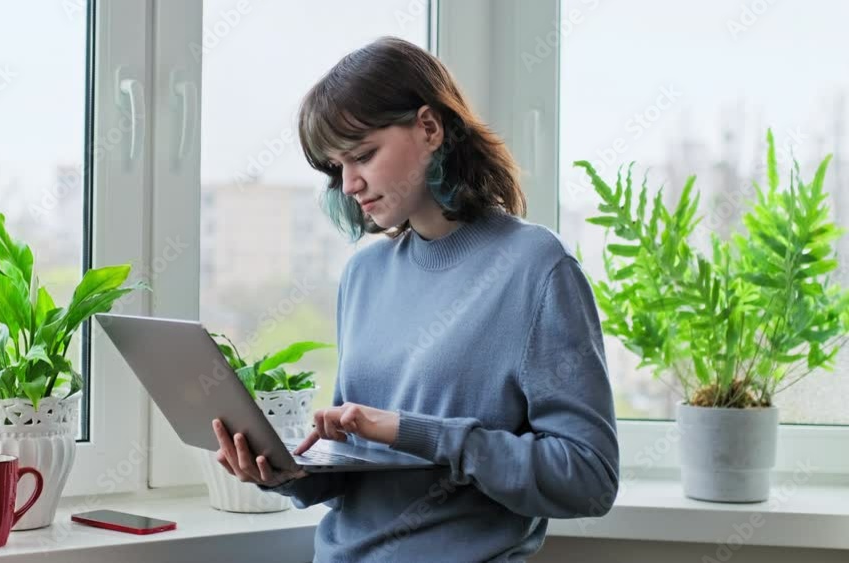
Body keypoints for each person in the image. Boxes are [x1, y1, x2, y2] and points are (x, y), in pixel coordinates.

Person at [211, 36, 620, 563]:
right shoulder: (365, 273)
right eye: (336, 166)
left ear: (429, 128)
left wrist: (415, 432)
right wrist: (285, 473)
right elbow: (364, 472)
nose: (350, 183)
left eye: (362, 154)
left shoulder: (537, 267)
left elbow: (589, 478)